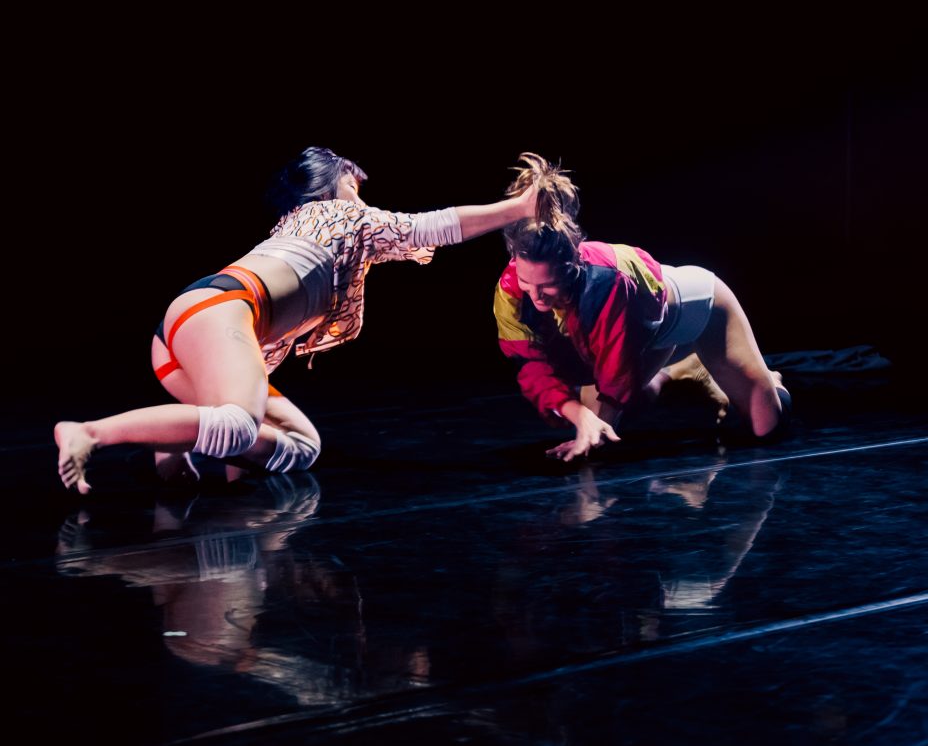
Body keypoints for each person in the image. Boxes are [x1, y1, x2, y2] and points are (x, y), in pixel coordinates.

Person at [56, 147, 538, 492]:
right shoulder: (338, 216)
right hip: (219, 311)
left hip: (187, 331)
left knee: (300, 446)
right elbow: (431, 225)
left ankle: (175, 445)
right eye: (355, 185)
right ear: (332, 187)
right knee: (239, 424)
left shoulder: (308, 230)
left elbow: (392, 245)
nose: (364, 198)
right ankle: (90, 432)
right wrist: (519, 208)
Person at [493, 154, 790, 461]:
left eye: (548, 285)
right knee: (624, 405)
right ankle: (676, 370)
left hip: (698, 311)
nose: (537, 296)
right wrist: (578, 416)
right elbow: (530, 365)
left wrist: (595, 432)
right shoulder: (510, 286)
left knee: (766, 427)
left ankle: (772, 381)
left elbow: (617, 372)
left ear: (571, 266)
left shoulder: (606, 283)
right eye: (529, 284)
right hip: (644, 329)